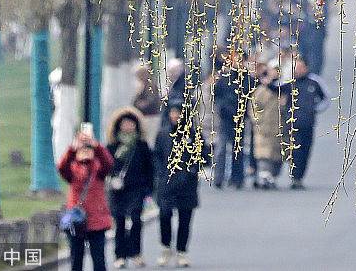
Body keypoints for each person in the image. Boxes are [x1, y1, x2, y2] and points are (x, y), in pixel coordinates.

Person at [153, 104, 207, 267]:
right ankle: (165, 248)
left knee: (185, 219)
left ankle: (181, 251)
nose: (175, 116)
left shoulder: (194, 134)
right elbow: (156, 155)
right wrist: (161, 173)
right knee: (164, 215)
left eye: (179, 112)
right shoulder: (163, 134)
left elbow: (203, 154)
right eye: (173, 112)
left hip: (187, 185)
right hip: (166, 183)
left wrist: (193, 169)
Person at [269, 56, 329, 189]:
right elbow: (275, 87)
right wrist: (270, 78)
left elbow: (325, 98)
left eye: (300, 68)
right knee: (294, 150)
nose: (297, 71)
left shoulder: (314, 82)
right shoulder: (290, 82)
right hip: (292, 124)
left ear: (306, 68)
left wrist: (314, 109)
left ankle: (299, 178)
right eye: (295, 68)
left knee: (305, 151)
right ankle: (294, 175)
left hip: (308, 123)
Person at [58, 129, 115, 271]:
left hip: (97, 220)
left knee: (99, 261)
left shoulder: (99, 170)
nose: (85, 152)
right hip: (76, 220)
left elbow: (108, 163)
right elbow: (62, 167)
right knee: (76, 260)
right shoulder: (72, 170)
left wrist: (96, 145)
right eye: (82, 150)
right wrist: (73, 148)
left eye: (88, 150)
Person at [106, 108, 154, 269]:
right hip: (117, 189)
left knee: (135, 219)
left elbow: (149, 167)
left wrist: (149, 188)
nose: (127, 126)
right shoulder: (112, 146)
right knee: (119, 221)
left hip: (137, 188)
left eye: (131, 123)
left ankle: (136, 252)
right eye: (124, 124)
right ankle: (120, 255)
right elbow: (106, 166)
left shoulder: (142, 146)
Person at [212, 52, 256, 189]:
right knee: (222, 148)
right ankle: (219, 178)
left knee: (239, 148)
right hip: (225, 117)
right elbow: (216, 95)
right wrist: (223, 108)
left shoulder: (248, 79)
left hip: (241, 118)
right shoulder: (225, 78)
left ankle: (237, 178)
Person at [248, 59, 284, 189]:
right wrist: (258, 120)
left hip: (279, 129)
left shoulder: (283, 90)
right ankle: (264, 177)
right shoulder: (261, 90)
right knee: (263, 155)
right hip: (263, 128)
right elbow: (253, 107)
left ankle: (272, 177)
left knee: (277, 156)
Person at [131, 64, 161, 147]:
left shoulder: (150, 85)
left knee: (150, 137)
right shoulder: (141, 85)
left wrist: (139, 105)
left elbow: (151, 100)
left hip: (150, 116)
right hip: (143, 116)